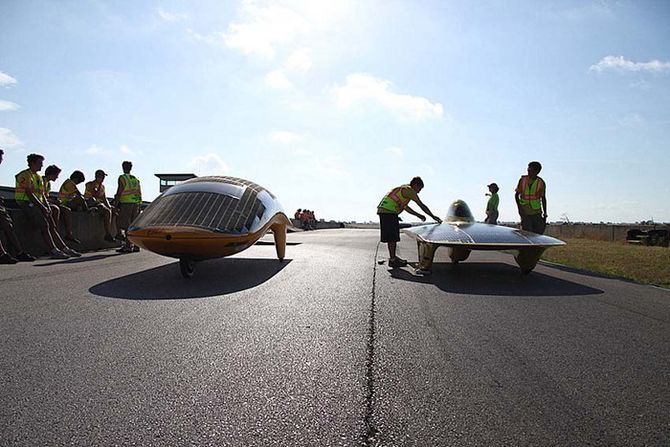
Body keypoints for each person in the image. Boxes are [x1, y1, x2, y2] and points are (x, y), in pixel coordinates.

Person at [15, 153, 80, 259]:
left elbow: (42, 195)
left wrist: (47, 206)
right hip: (26, 202)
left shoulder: (38, 177)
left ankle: (63, 248)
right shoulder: (25, 175)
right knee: (45, 225)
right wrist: (42, 207)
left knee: (51, 225)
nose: (42, 166)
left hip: (37, 203)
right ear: (32, 163)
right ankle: (53, 250)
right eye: (40, 163)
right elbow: (29, 194)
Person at [377, 176, 442, 267]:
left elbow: (406, 208)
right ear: (415, 185)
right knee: (392, 237)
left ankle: (393, 257)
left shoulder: (404, 189)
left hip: (386, 211)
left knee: (392, 237)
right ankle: (392, 260)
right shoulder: (410, 190)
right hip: (388, 212)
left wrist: (418, 215)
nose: (419, 191)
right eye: (419, 188)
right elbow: (421, 205)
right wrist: (433, 216)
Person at [0, 149, 36, 263]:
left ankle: (18, 252)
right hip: (23, 202)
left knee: (8, 226)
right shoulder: (26, 175)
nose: (1, 161)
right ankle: (3, 254)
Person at [113, 161, 141, 253]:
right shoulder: (135, 179)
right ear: (131, 168)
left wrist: (115, 204)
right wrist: (139, 204)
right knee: (134, 225)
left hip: (126, 203)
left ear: (123, 167)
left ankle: (128, 246)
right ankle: (136, 245)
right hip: (136, 203)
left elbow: (119, 192)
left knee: (126, 225)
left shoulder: (122, 178)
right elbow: (139, 192)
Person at [84, 169, 117, 242]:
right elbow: (95, 194)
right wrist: (99, 186)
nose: (103, 179)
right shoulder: (90, 184)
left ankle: (117, 233)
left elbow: (104, 198)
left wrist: (109, 207)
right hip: (90, 203)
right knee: (106, 211)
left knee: (112, 210)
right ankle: (108, 233)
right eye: (102, 177)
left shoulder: (102, 186)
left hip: (99, 204)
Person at [515, 161, 547, 234]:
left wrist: (545, 213)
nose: (528, 172)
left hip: (536, 211)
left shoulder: (541, 182)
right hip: (525, 211)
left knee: (538, 233)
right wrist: (519, 208)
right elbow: (516, 195)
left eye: (530, 170)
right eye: (528, 170)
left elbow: (543, 198)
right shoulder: (523, 180)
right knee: (527, 232)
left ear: (537, 171)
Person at [57, 170, 87, 243]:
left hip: (67, 202)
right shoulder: (70, 183)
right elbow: (79, 195)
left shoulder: (69, 182)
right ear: (76, 179)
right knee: (80, 199)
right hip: (64, 203)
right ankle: (87, 211)